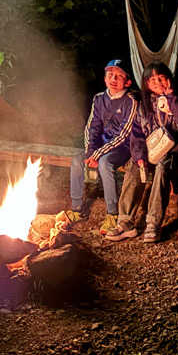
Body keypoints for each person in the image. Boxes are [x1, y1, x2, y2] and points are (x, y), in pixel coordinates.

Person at [106, 60, 178, 244]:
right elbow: (136, 135)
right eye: (152, 80)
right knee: (134, 169)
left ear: (168, 79)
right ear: (146, 83)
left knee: (162, 167)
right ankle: (125, 222)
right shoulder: (143, 105)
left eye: (161, 78)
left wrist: (171, 98)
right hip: (151, 152)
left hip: (173, 152)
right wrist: (139, 157)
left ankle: (153, 223)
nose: (158, 83)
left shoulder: (177, 99)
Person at [67, 58, 137, 234]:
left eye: (119, 76)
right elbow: (92, 127)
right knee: (77, 160)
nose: (113, 79)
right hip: (100, 147)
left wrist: (98, 154)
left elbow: (124, 134)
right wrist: (91, 152)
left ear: (127, 81)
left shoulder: (131, 100)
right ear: (105, 78)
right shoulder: (99, 98)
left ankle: (112, 214)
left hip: (123, 148)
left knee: (106, 163)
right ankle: (77, 209)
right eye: (110, 75)